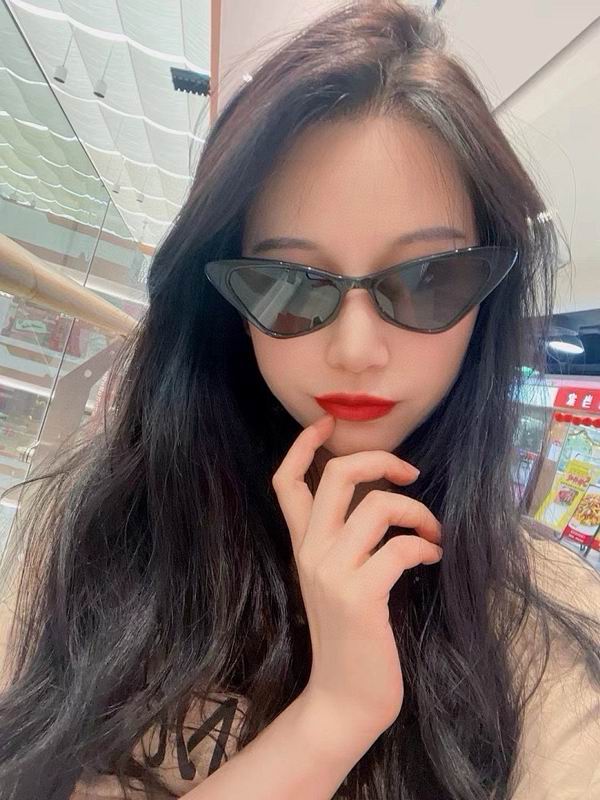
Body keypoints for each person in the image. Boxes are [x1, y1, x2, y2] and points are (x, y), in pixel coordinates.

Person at [1, 2, 599, 799]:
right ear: (224, 301)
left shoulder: (547, 624)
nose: (355, 349)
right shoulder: (99, 532)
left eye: (428, 280)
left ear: (489, 296)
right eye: (288, 286)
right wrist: (333, 718)